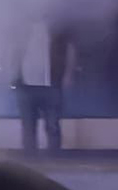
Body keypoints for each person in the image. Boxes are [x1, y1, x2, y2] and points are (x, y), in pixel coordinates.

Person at [11, 20, 77, 153]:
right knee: (28, 126)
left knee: (52, 125)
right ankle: (30, 159)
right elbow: (13, 52)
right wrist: (12, 76)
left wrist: (68, 75)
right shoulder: (22, 30)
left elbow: (70, 51)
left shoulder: (57, 29)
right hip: (25, 85)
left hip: (51, 84)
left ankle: (54, 158)